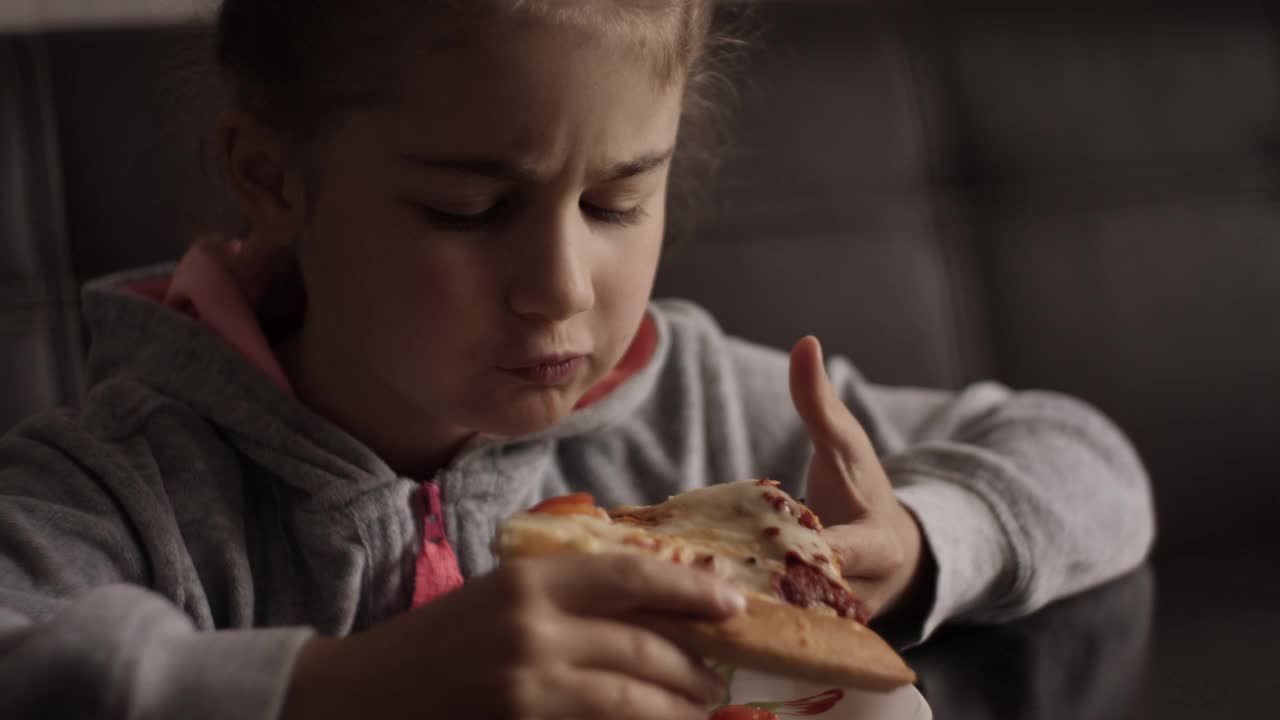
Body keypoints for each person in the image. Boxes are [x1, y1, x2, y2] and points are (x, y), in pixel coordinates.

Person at [0, 1, 1155, 719]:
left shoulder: (695, 406)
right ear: (273, 178)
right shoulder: (129, 486)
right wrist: (338, 692)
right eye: (467, 207)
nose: (558, 286)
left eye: (614, 200)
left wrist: (912, 541)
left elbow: (1086, 460)